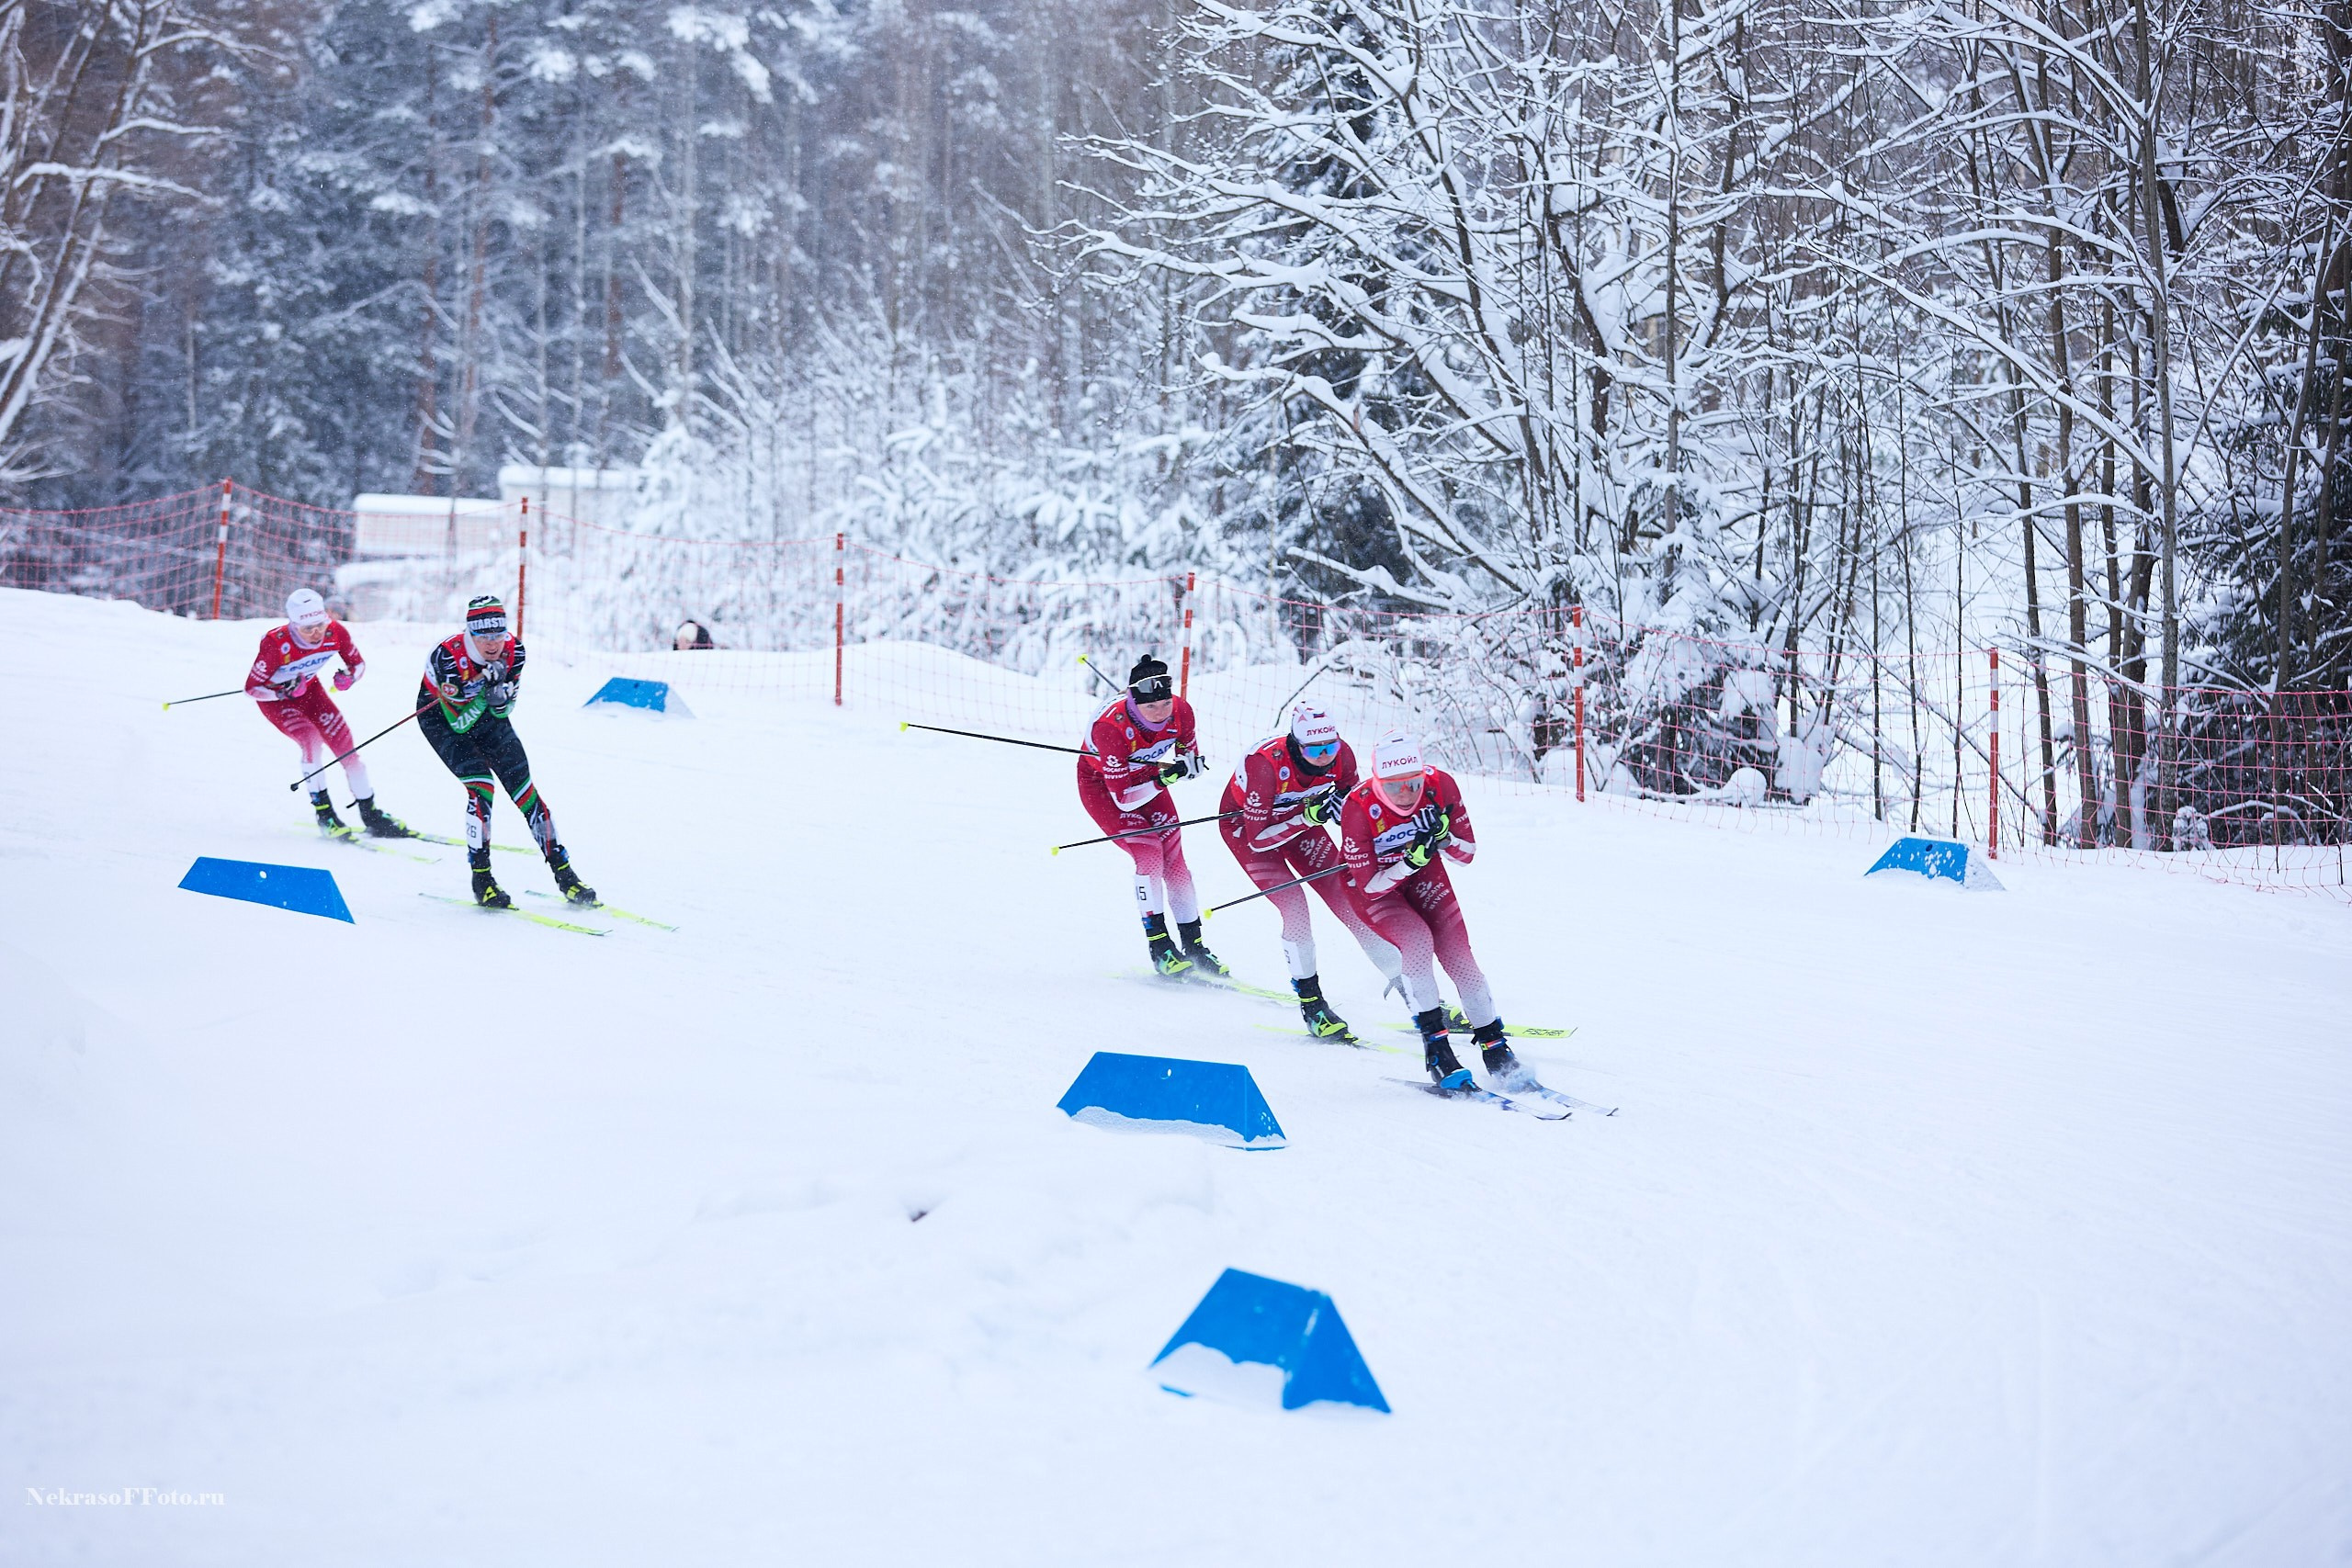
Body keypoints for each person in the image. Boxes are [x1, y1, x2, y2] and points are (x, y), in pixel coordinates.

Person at [1337, 731, 1527, 1089]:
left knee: (1460, 956)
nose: (1405, 794)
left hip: (1424, 873)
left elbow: (1466, 854)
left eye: (1413, 784)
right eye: (1393, 788)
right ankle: (1437, 1048)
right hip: (1375, 888)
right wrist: (1409, 862)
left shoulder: (1441, 786)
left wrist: (1445, 837)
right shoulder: (1358, 806)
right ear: (1377, 783)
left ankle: (1495, 1045)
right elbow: (1369, 886)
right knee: (1417, 942)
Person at [1218, 703, 1406, 1038]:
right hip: (1248, 830)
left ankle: (1409, 987)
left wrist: (1342, 812)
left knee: (1349, 900)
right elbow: (1258, 839)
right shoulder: (1264, 765)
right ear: (1296, 745)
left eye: (1330, 746)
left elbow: (1355, 810)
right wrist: (1309, 816)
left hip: (1301, 823)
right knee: (1295, 907)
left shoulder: (1342, 756)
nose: (1325, 756)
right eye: (1315, 749)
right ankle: (1312, 1005)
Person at [416, 593, 595, 909]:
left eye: (498, 634)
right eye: (484, 636)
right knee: (481, 788)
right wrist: (488, 695)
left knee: (526, 792)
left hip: (486, 718)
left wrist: (498, 698)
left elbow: (505, 710)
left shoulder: (515, 651)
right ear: (471, 633)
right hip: (441, 721)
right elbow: (458, 724)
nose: (492, 644)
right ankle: (482, 878)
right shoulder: (448, 656)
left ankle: (565, 873)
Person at [1078, 653, 1221, 976]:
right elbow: (1125, 800)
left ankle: (1195, 946)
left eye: (1164, 704)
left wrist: (1190, 767)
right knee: (1149, 855)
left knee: (1175, 860)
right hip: (1105, 789)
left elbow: (1188, 760)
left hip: (1148, 780)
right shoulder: (1109, 729)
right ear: (1133, 703)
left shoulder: (1181, 711)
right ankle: (1160, 948)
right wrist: (1164, 778)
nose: (1160, 713)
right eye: (1150, 707)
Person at [247, 588, 413, 838]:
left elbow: (358, 664)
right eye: (307, 628)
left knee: (348, 750)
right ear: (293, 625)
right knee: (311, 741)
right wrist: (283, 692)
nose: (316, 633)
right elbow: (252, 689)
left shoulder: (335, 632)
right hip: (278, 703)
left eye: (319, 624)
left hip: (311, 693)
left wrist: (349, 679)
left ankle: (370, 813)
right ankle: (325, 815)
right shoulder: (276, 643)